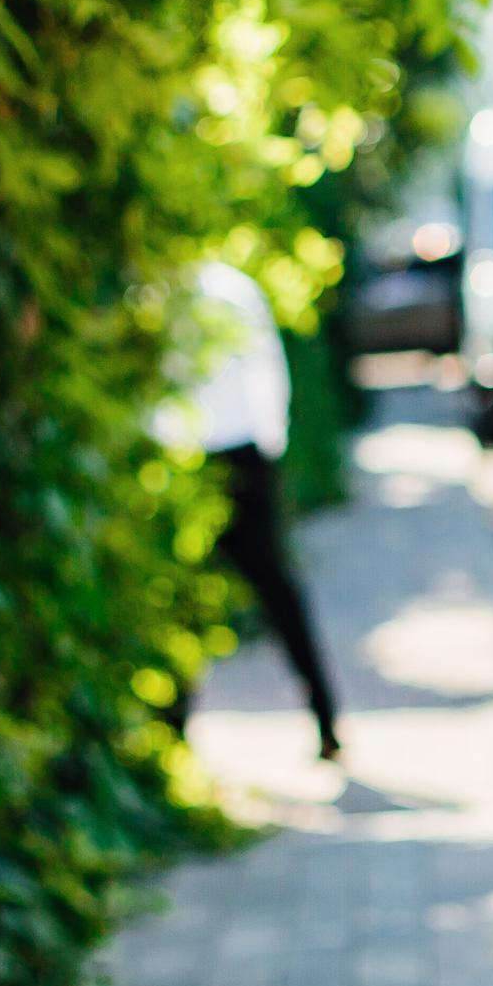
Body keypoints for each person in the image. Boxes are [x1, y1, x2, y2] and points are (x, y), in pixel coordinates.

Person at [161, 261, 343, 762]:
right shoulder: (195, 289)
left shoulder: (214, 289)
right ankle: (172, 730)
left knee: (227, 592)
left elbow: (262, 369)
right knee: (209, 595)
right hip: (217, 453)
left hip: (212, 454)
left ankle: (323, 718)